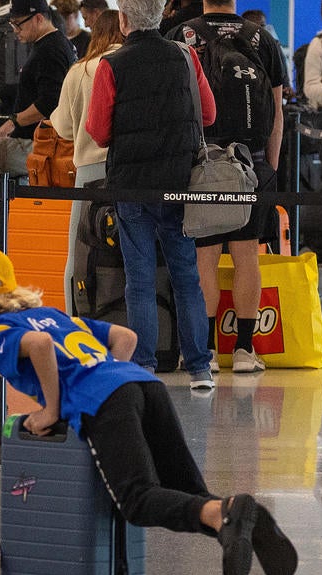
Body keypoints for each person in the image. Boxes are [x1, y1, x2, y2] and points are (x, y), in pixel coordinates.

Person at [0, 245, 299, 575]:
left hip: (102, 401)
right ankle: (242, 520)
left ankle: (229, 510)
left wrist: (51, 410)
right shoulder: (54, 316)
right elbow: (125, 337)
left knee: (137, 499)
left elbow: (38, 346)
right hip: (144, 384)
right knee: (184, 491)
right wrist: (112, 376)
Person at [85, 0, 218, 389]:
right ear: (160, 16)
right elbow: (207, 115)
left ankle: (143, 365)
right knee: (186, 277)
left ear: (123, 20)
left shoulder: (112, 65)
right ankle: (199, 368)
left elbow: (98, 131)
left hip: (132, 184)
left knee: (139, 279)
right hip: (179, 183)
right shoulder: (185, 56)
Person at [172, 0, 286, 374]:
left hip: (201, 162)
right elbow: (276, 110)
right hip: (250, 160)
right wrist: (269, 165)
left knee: (204, 257)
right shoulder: (261, 39)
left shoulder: (183, 35)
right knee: (246, 256)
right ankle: (242, 349)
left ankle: (203, 351)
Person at [51, 9, 123, 313]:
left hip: (88, 170)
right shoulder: (130, 64)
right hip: (128, 166)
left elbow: (63, 127)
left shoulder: (80, 70)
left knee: (79, 251)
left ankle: (75, 315)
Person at [0, 0, 76, 141]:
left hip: (39, 142)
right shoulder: (49, 43)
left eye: (17, 23)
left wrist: (13, 122)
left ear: (38, 18)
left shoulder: (50, 50)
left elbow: (49, 102)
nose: (15, 29)